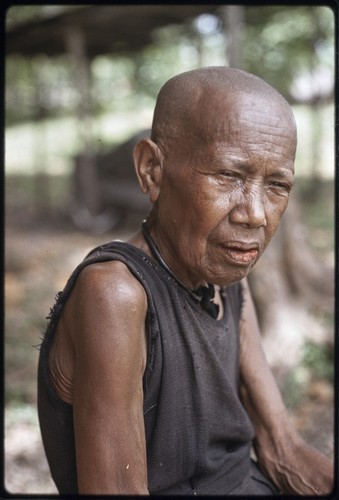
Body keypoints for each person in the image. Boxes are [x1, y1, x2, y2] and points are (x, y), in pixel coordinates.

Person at [38, 67, 333, 495]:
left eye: (276, 185)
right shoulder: (116, 294)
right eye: (229, 176)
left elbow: (282, 451)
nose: (254, 214)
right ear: (152, 171)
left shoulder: (225, 276)